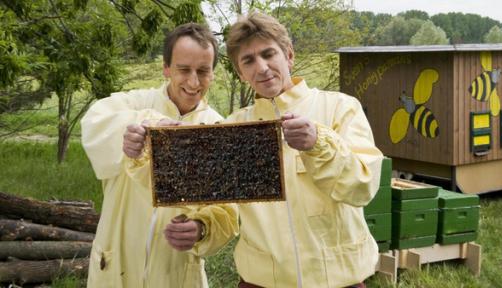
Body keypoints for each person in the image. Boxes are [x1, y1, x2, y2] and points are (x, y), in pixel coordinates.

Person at [225, 12, 383, 288]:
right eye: (248, 60)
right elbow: (216, 204)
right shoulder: (233, 127)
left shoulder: (340, 108)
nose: (261, 67)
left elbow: (363, 186)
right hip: (261, 282)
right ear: (240, 73)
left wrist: (319, 144)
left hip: (338, 280)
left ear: (289, 56)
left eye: (268, 54)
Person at [81, 23, 238, 288]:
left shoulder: (218, 129)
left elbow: (228, 211)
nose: (193, 82)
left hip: (175, 271)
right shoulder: (134, 104)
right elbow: (94, 124)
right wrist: (138, 129)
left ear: (213, 72)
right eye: (183, 69)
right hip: (116, 263)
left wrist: (202, 228)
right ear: (166, 68)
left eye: (203, 71)